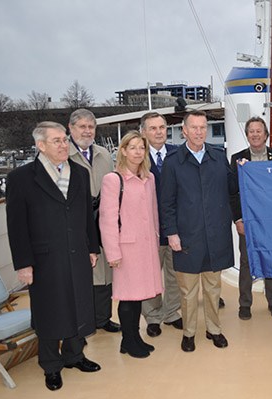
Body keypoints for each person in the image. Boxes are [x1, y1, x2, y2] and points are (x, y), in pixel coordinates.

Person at [6, 121, 101, 391]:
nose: (63, 144)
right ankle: (50, 365)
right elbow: (16, 226)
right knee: (50, 310)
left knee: (78, 304)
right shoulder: (21, 178)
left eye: (64, 139)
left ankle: (74, 355)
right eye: (57, 140)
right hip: (44, 259)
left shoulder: (80, 174)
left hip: (77, 253)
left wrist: (92, 247)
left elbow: (86, 217)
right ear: (41, 145)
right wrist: (23, 264)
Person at [160, 110, 236, 352]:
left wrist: (243, 169)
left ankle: (214, 329)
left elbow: (232, 188)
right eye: (194, 127)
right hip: (187, 237)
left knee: (213, 289)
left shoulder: (219, 156)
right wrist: (171, 232)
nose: (199, 132)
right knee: (188, 291)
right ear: (184, 130)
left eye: (203, 127)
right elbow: (166, 203)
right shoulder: (173, 163)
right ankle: (189, 333)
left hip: (215, 235)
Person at [99, 132, 163, 359]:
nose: (137, 152)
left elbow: (153, 213)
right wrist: (113, 252)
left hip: (146, 247)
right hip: (126, 248)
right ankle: (128, 340)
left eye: (141, 148)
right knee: (127, 297)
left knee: (139, 296)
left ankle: (134, 338)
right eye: (132, 147)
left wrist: (155, 241)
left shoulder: (149, 178)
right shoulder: (113, 179)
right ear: (123, 151)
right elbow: (107, 219)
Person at [67, 109, 120, 334]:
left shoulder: (104, 154)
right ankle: (84, 320)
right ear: (71, 128)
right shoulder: (64, 155)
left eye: (91, 127)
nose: (87, 131)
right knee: (84, 271)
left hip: (104, 219)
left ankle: (103, 317)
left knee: (106, 271)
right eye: (82, 127)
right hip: (76, 221)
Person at [230, 116, 272, 320]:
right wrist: (238, 219)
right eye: (251, 131)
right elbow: (233, 192)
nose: (255, 134)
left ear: (266, 134)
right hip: (249, 221)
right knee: (246, 262)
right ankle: (245, 304)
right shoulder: (237, 158)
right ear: (246, 134)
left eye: (258, 130)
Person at [139, 112, 183, 337]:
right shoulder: (136, 157)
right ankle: (153, 316)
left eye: (162, 127)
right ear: (143, 132)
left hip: (174, 227)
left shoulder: (178, 154)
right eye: (153, 128)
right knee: (151, 275)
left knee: (174, 274)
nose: (158, 132)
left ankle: (172, 312)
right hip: (149, 230)